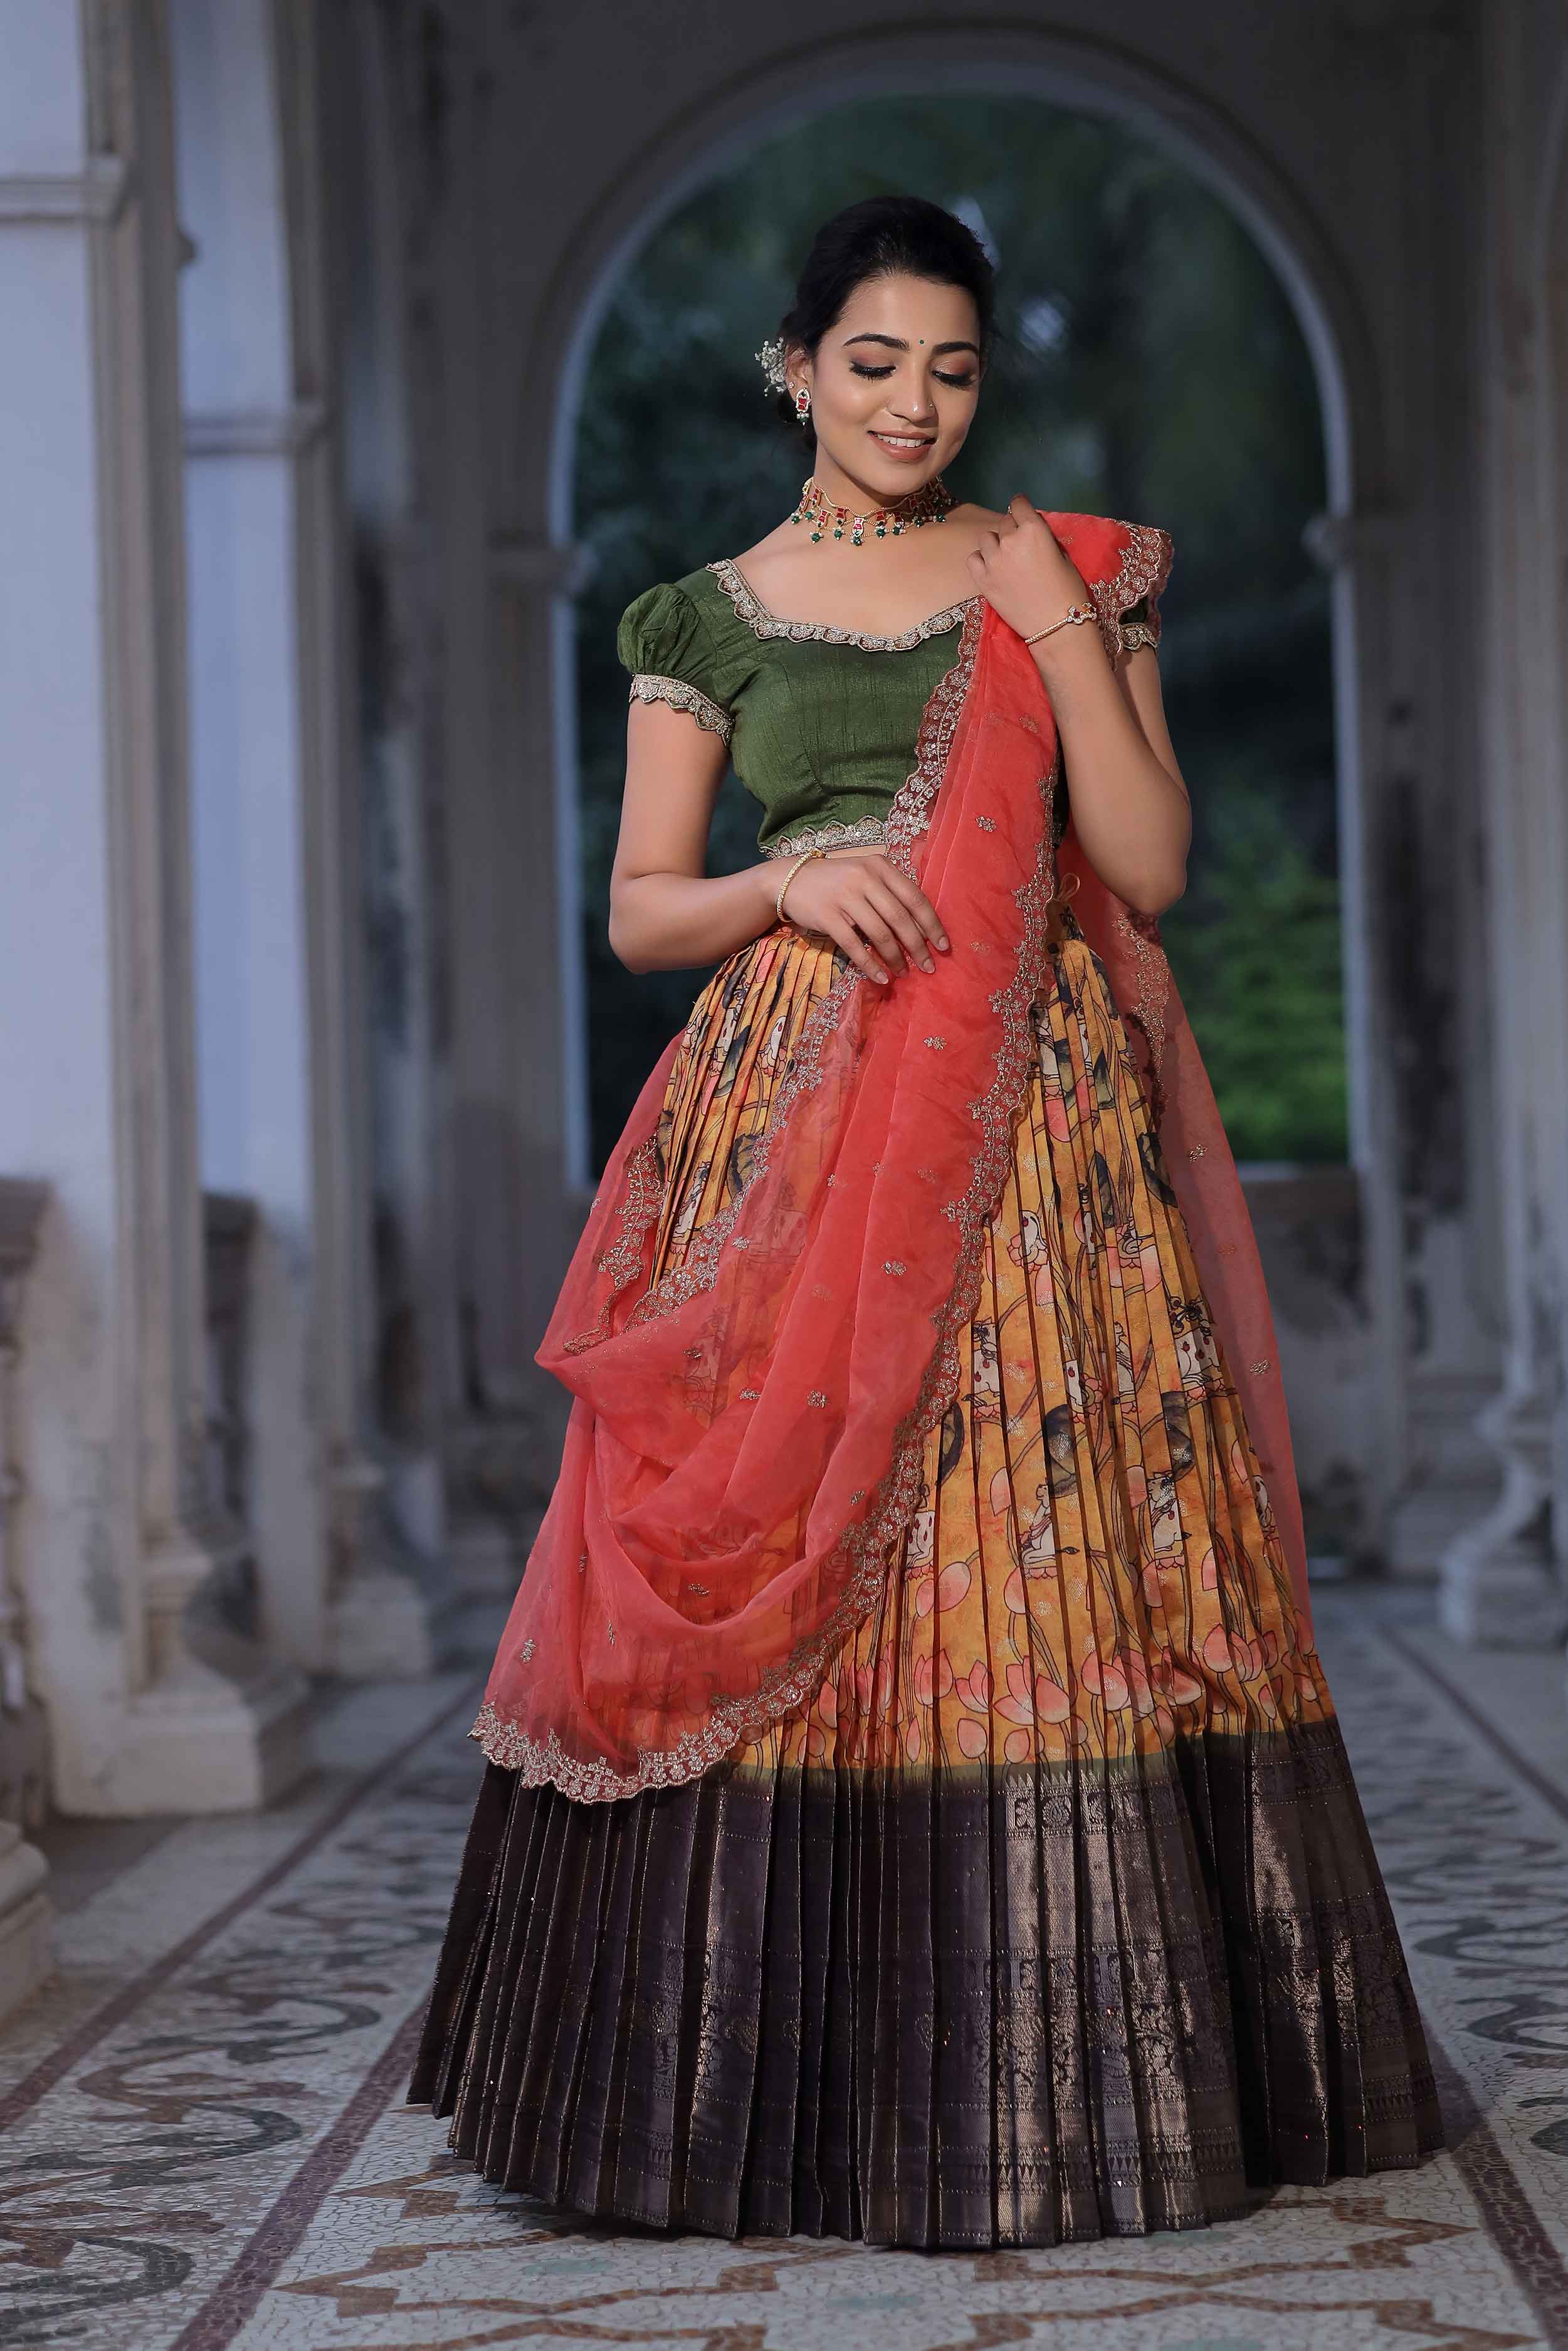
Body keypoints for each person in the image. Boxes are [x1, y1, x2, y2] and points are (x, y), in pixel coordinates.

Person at [409, 195, 1443, 2247]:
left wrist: (1053, 612)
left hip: (1033, 1127)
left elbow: (1139, 867)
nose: (914, 401)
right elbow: (641, 911)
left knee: (1037, 1541)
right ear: (799, 367)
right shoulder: (704, 617)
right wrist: (789, 887)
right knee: (798, 1527)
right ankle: (766, 2095)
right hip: (793, 1115)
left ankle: (1059, 2073)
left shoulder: (1064, 570)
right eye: (874, 360)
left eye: (954, 368)